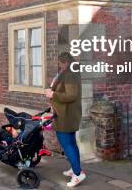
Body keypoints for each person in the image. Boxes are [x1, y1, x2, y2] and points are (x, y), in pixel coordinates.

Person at [45, 52, 86, 188]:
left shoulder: (70, 74)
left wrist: (53, 94)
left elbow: (71, 95)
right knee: (71, 144)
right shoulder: (68, 72)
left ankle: (78, 174)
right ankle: (75, 169)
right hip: (66, 114)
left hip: (66, 115)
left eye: (61, 63)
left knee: (67, 145)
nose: (59, 65)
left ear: (66, 62)